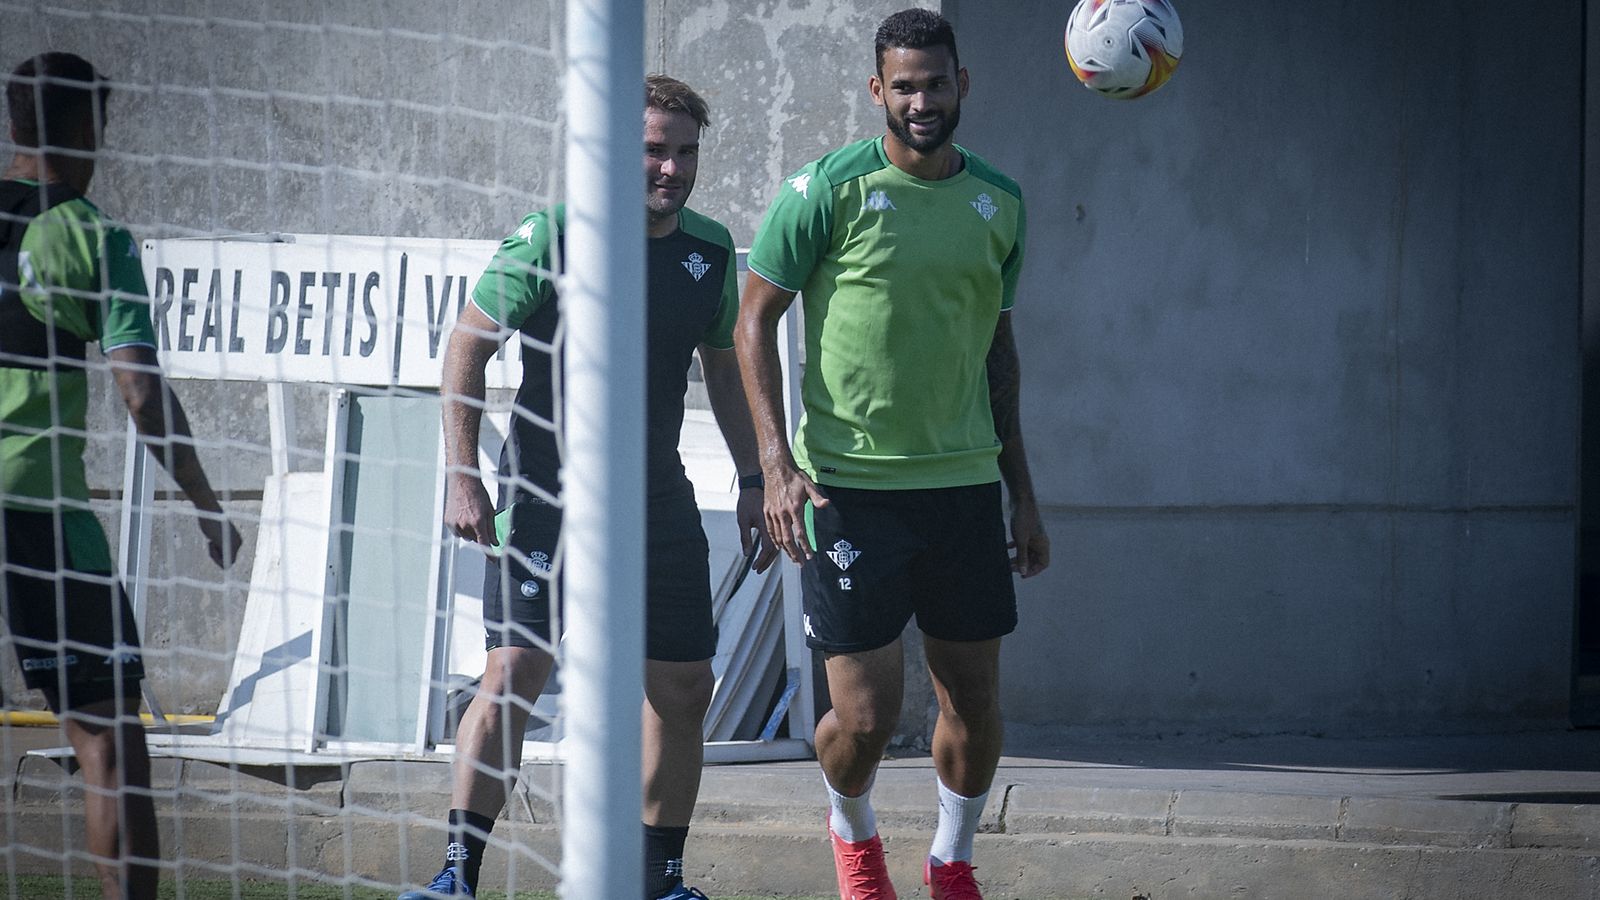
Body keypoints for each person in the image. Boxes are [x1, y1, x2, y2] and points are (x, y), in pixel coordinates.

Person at [402, 75, 773, 900]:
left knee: (683, 686)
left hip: (656, 502)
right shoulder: (553, 235)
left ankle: (660, 881)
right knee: (515, 675)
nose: (670, 167)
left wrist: (755, 478)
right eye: (652, 149)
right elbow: (466, 350)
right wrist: (464, 477)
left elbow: (722, 376)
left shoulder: (710, 251)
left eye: (684, 151)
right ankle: (456, 874)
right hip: (544, 494)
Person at [735, 10, 1050, 900]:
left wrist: (1022, 493)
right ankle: (854, 834)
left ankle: (952, 861)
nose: (921, 100)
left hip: (961, 489)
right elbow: (752, 317)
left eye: (935, 83)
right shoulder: (824, 190)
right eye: (903, 85)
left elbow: (999, 353)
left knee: (975, 707)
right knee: (865, 720)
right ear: (877, 90)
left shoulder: (1001, 203)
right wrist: (774, 466)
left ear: (963, 85)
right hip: (848, 493)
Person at [0, 52, 243, 900]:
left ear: (14, 123)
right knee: (110, 739)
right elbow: (140, 393)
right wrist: (207, 501)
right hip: (35, 510)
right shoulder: (92, 237)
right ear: (86, 130)